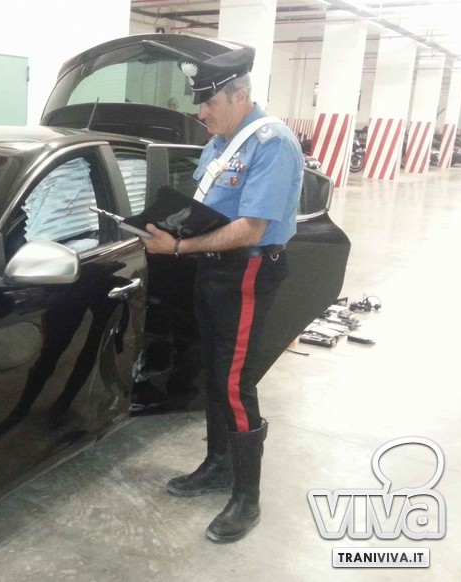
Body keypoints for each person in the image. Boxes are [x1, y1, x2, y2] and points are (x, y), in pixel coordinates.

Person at [141, 43, 303, 543]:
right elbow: (208, 209)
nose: (201, 112)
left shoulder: (271, 143)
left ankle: (247, 498)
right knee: (213, 372)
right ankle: (218, 466)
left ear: (239, 95)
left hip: (248, 271)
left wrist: (179, 246)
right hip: (213, 270)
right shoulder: (220, 143)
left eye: (209, 102)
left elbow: (252, 227)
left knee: (234, 383)